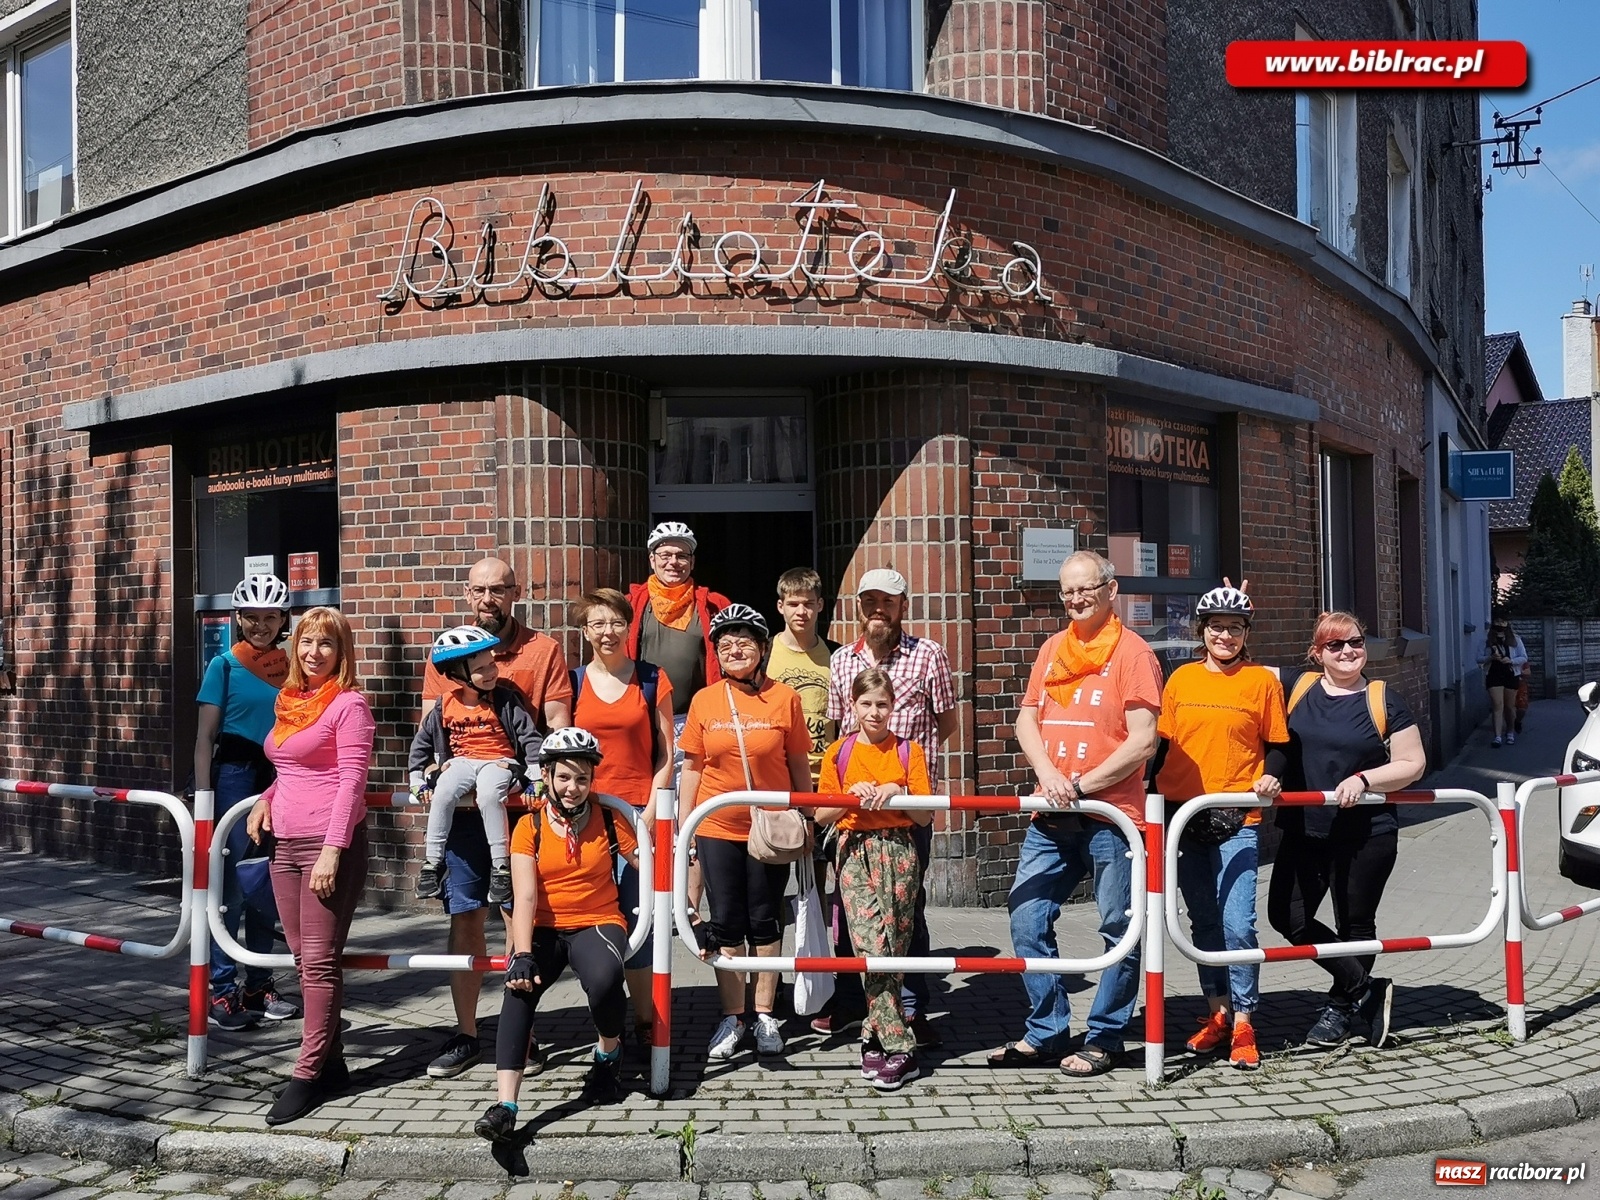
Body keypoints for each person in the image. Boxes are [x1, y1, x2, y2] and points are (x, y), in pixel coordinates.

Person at [988, 550, 1162, 1077]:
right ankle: (1047, 1031)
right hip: (1053, 811)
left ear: (1111, 591)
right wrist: (1052, 779)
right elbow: (1026, 722)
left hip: (1113, 817)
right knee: (1027, 917)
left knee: (1120, 928)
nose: (1075, 599)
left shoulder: (1134, 655)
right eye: (1067, 591)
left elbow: (1143, 742)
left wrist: (1083, 786)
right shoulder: (1052, 649)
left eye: (1085, 589)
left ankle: (1106, 1036)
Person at [421, 557, 572, 1080]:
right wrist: (433, 777)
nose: (489, 598)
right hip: (464, 814)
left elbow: (556, 723)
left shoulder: (543, 650)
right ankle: (466, 1034)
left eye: (499, 589)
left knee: (518, 920)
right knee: (465, 917)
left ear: (516, 592)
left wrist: (549, 784)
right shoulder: (444, 650)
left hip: (520, 812)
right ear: (468, 593)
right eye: (480, 589)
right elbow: (434, 726)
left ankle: (519, 1033)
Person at [1267, 611, 1428, 1050]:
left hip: (1366, 833)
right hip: (1304, 828)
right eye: (1334, 645)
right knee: (1287, 916)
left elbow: (1413, 764)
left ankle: (1340, 1008)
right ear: (1317, 652)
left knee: (1355, 922)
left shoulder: (1383, 699)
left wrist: (1365, 780)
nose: (1347, 652)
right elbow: (1237, 671)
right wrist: (1234, 612)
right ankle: (1364, 988)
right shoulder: (1294, 688)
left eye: (1354, 642)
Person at [473, 728, 638, 1146]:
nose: (573, 788)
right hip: (544, 925)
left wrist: (689, 897)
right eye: (564, 777)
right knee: (518, 988)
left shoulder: (608, 817)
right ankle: (506, 1105)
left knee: (604, 980)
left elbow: (650, 865)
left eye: (582, 778)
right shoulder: (528, 825)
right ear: (546, 775)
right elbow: (524, 894)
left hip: (598, 919)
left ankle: (608, 1054)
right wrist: (523, 953)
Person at [246, 607, 375, 1126]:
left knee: (319, 963)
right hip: (284, 845)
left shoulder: (350, 705)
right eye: (305, 642)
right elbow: (291, 763)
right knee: (304, 962)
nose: (313, 653)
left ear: (341, 652)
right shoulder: (290, 700)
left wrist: (332, 849)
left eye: (325, 644)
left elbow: (350, 781)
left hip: (329, 846)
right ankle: (334, 1063)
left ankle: (305, 1074)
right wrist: (265, 796)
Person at [1155, 585, 1287, 1072]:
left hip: (1238, 816)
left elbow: (1279, 743)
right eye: (1216, 627)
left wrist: (1274, 771)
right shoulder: (1181, 679)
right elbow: (1161, 747)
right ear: (1201, 631)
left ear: (1246, 633)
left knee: (1238, 924)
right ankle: (1218, 1012)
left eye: (1235, 627)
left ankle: (1247, 1020)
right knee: (1204, 923)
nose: (1225, 635)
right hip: (1182, 815)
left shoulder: (1260, 682)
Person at [826, 568, 957, 1047]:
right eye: (869, 601)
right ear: (859, 608)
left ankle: (912, 1005)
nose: (878, 609)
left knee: (909, 909)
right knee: (852, 910)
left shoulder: (929, 656)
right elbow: (842, 730)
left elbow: (945, 723)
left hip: (908, 810)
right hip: (856, 816)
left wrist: (902, 775)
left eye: (888, 600)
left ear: (904, 605)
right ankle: (857, 1004)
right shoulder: (843, 660)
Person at [679, 604, 812, 1061]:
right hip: (717, 824)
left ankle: (764, 1012)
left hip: (770, 829)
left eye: (745, 642)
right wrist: (686, 827)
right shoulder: (704, 700)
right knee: (726, 920)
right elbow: (692, 768)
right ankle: (733, 1016)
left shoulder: (785, 698)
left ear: (762, 648)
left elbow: (797, 763)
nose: (735, 650)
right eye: (726, 644)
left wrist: (808, 813)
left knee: (765, 917)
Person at [813, 668, 933, 1091]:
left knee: (894, 945)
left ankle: (873, 1035)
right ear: (852, 705)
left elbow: (924, 814)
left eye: (882, 703)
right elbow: (821, 814)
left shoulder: (908, 751)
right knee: (869, 944)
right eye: (866, 703)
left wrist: (894, 789)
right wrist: (851, 792)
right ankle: (900, 1045)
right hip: (853, 850)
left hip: (898, 851)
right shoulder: (839, 753)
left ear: (893, 705)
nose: (874, 712)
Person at [569, 588, 675, 1045]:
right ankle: (605, 1020)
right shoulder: (572, 683)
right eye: (598, 623)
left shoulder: (652, 680)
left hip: (638, 819)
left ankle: (646, 1020)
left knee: (640, 918)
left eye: (616, 622)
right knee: (592, 918)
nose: (608, 632)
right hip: (588, 821)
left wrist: (650, 813)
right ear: (585, 631)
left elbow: (668, 754)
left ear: (629, 627)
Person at [195, 573, 300, 1030]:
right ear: (238, 619)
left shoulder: (294, 664)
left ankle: (259, 986)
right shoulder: (224, 665)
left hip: (282, 774)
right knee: (234, 887)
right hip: (236, 773)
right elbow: (204, 737)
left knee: (269, 883)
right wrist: (203, 800)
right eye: (252, 618)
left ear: (283, 619)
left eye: (270, 617)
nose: (261, 626)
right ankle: (222, 991)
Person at [625, 522, 729, 939]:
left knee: (690, 813)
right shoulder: (633, 603)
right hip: (643, 719)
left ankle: (687, 906)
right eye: (665, 554)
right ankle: (650, 898)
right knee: (646, 807)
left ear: (693, 561)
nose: (674, 562)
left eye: (682, 555)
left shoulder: (712, 604)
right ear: (651, 560)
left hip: (693, 718)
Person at [410, 625, 545, 905]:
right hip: (461, 762)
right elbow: (421, 743)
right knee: (445, 790)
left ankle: (500, 866)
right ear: (458, 675)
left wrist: (534, 775)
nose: (491, 672)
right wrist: (418, 778)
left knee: (487, 793)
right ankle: (432, 862)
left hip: (498, 761)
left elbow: (530, 737)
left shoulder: (505, 700)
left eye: (491, 664)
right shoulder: (444, 705)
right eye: (480, 669)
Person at [1478, 618, 1528, 747]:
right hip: (1493, 674)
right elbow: (1478, 658)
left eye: (1503, 629)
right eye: (1497, 628)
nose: (1500, 632)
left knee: (1510, 706)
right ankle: (1497, 737)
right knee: (1497, 705)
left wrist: (1511, 660)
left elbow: (1523, 657)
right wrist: (1490, 657)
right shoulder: (1486, 641)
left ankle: (1510, 732)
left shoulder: (1515, 640)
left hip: (1511, 674)